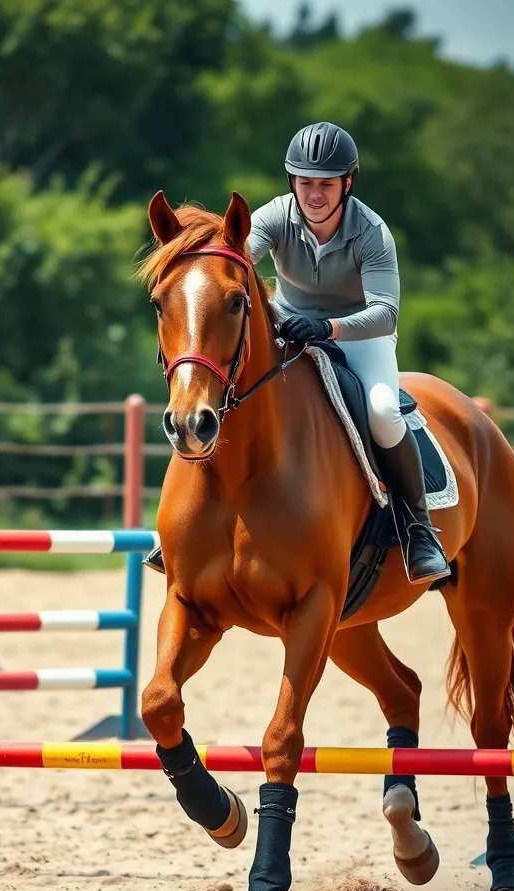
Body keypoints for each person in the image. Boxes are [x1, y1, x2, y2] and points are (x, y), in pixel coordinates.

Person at [144, 121, 451, 586]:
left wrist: (328, 327)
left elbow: (386, 313)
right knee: (226, 393)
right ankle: (183, 527)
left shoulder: (371, 232)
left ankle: (417, 528)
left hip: (359, 335)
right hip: (289, 326)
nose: (314, 195)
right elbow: (236, 260)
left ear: (346, 183)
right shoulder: (273, 217)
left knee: (385, 412)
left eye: (325, 184)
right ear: (293, 182)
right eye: (305, 183)